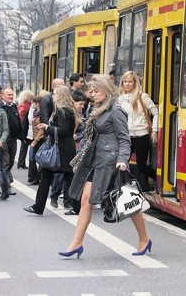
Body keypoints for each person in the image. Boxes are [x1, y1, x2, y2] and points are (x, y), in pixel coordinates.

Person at [62, 74, 152, 258]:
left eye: (95, 91)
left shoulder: (115, 111)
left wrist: (122, 160)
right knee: (86, 200)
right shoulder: (99, 109)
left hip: (111, 162)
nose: (91, 94)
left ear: (106, 91)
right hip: (96, 161)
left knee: (126, 200)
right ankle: (76, 243)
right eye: (91, 91)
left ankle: (144, 238)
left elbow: (124, 139)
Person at [23, 85, 79, 215]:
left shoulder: (62, 109)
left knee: (64, 178)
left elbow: (63, 130)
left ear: (59, 95)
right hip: (65, 148)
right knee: (62, 177)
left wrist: (48, 127)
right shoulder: (69, 108)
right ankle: (39, 206)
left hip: (61, 149)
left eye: (54, 94)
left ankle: (39, 207)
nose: (52, 96)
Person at [117, 71, 158, 192]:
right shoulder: (121, 99)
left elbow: (156, 113)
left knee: (141, 165)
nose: (127, 84)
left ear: (135, 83)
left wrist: (154, 130)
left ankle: (156, 177)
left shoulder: (143, 96)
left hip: (142, 135)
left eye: (130, 82)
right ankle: (124, 186)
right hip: (126, 136)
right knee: (122, 163)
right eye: (125, 82)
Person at [16, 90, 34, 169]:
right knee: (24, 146)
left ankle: (21, 162)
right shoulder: (26, 106)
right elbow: (21, 117)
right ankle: (21, 163)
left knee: (24, 146)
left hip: (23, 128)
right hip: (25, 128)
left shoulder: (22, 104)